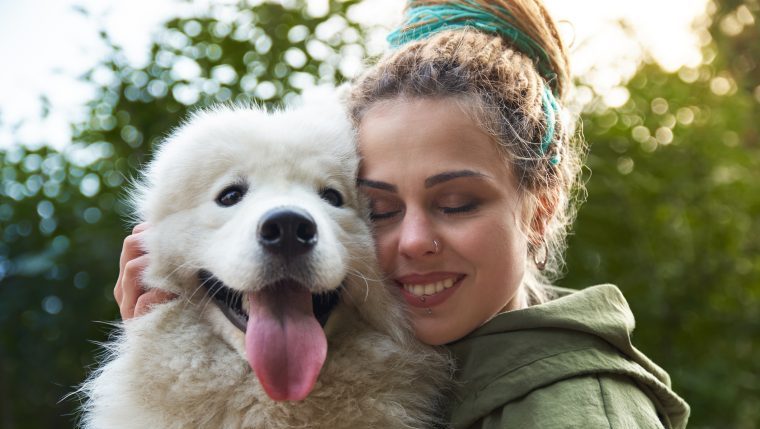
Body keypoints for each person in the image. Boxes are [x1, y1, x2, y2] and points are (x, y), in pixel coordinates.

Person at [113, 0, 690, 427]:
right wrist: (166, 350)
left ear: (537, 215)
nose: (414, 241)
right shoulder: (453, 374)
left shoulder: (572, 412)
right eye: (381, 209)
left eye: (457, 203)